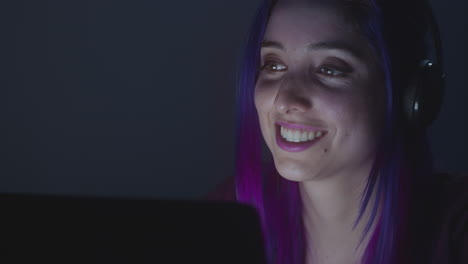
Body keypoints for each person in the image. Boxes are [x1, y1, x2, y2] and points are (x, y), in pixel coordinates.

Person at [205, 0, 467, 263]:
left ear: (409, 96)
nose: (284, 100)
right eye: (273, 65)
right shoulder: (230, 210)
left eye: (329, 69)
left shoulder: (457, 229)